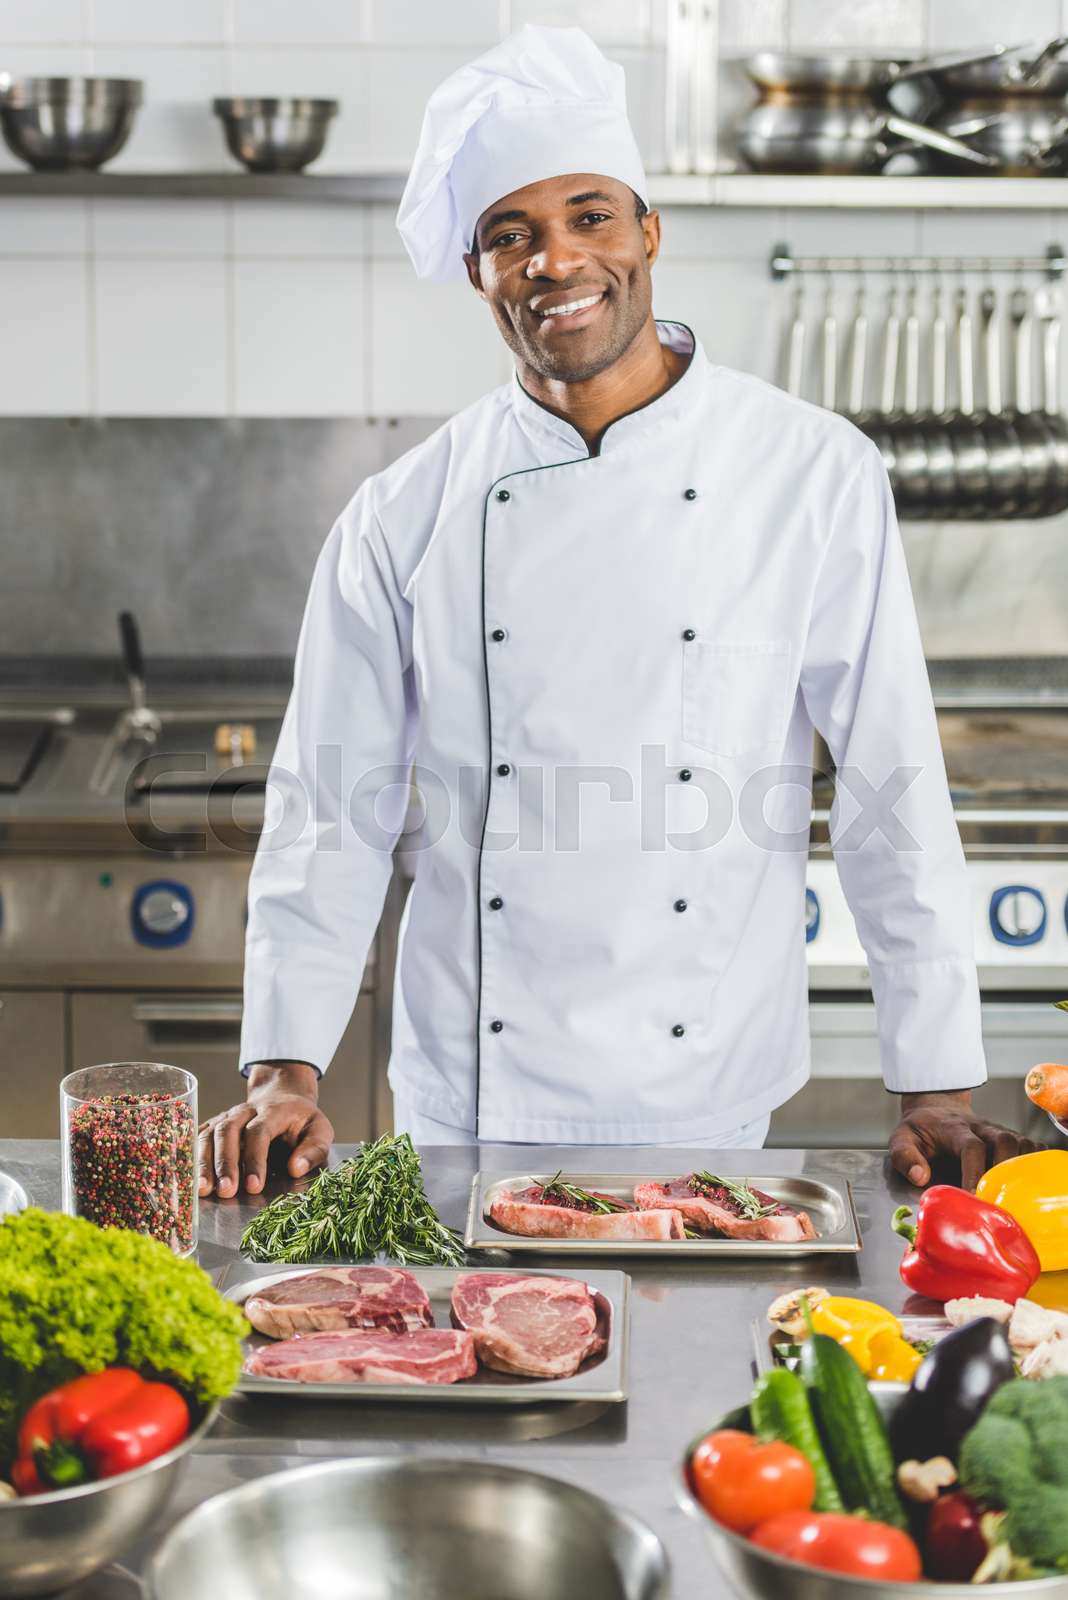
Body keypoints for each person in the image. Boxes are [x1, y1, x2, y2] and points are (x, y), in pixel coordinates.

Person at [198, 25, 1038, 1200]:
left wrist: (936, 1086)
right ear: (477, 268)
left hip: (709, 1092)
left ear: (649, 231)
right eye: (511, 234)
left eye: (590, 215)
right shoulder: (405, 512)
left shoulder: (810, 472)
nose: (556, 261)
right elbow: (327, 808)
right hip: (469, 1099)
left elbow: (891, 781)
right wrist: (285, 1067)